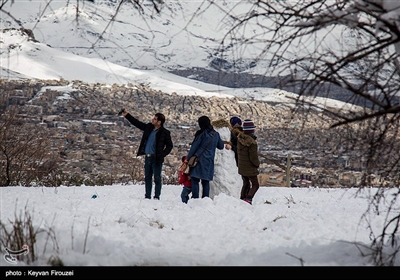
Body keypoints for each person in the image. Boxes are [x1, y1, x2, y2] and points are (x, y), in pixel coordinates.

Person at [121, 109, 173, 200]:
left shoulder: (165, 133)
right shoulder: (149, 128)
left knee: (157, 178)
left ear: (159, 122)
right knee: (148, 177)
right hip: (148, 157)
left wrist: (162, 154)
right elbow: (137, 123)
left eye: (155, 119)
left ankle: (157, 196)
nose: (153, 120)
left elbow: (170, 146)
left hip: (156, 158)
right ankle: (147, 196)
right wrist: (127, 115)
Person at [186, 116, 226, 199]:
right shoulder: (215, 134)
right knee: (205, 181)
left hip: (198, 159)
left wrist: (188, 158)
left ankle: (195, 198)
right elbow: (221, 146)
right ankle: (205, 199)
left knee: (195, 180)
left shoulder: (201, 134)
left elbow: (194, 147)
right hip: (209, 161)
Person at [232, 119, 260, 205]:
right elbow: (253, 158)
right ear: (252, 130)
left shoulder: (240, 139)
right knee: (255, 184)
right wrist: (257, 164)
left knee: (246, 182)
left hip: (242, 166)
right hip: (250, 167)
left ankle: (242, 197)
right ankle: (248, 198)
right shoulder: (252, 143)